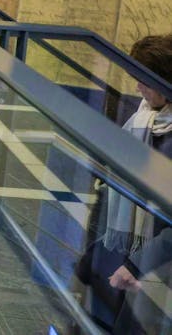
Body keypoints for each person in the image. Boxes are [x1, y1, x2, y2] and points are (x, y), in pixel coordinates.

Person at [77, 33, 172, 333]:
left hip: (156, 268)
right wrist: (92, 257)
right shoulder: (146, 117)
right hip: (131, 257)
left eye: (142, 79)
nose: (136, 87)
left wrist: (136, 265)